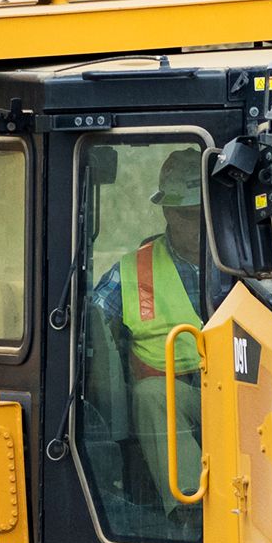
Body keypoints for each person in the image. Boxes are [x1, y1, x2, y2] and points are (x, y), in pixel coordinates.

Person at [87, 147, 207, 522]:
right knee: (152, 394)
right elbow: (90, 322)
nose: (199, 224)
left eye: (204, 213)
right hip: (184, 393)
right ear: (168, 212)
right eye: (189, 215)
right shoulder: (133, 271)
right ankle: (195, 509)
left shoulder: (251, 257)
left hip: (246, 386)